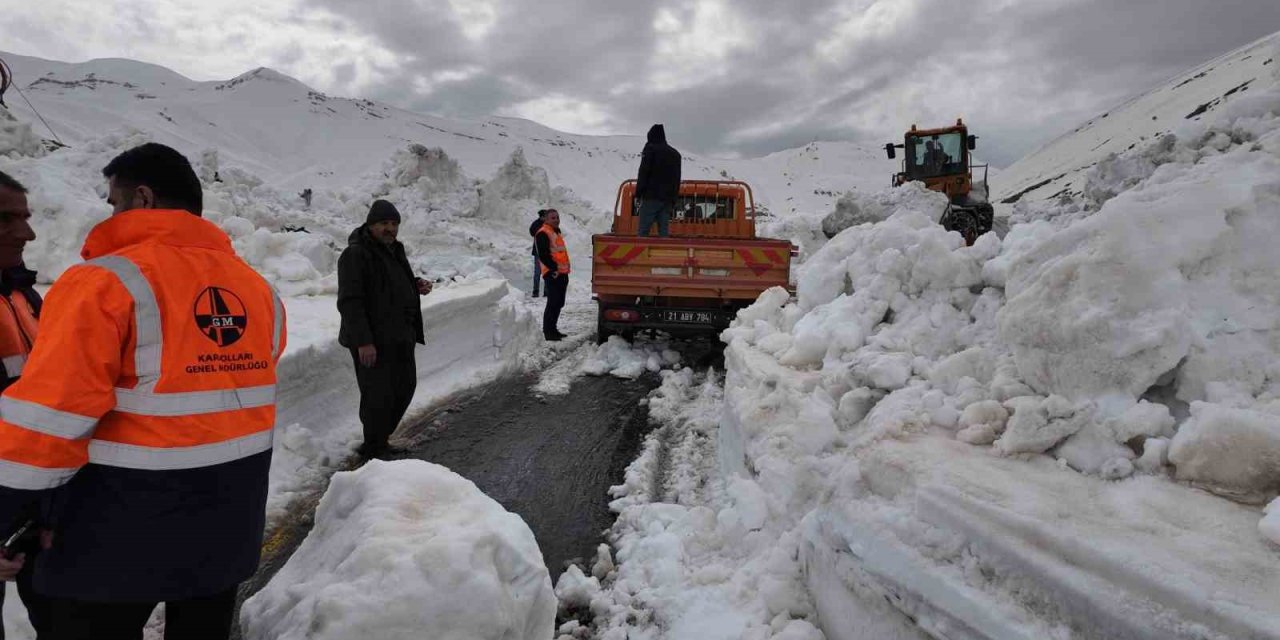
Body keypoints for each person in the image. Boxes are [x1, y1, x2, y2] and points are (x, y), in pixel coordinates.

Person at [0, 142, 286, 640]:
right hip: (227, 525)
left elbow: (49, 421)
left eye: (114, 202)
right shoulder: (258, 289)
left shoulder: (101, 283)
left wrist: (5, 517)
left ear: (143, 198)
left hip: (115, 538)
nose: (109, 214)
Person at [337, 199, 431, 458]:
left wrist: (416, 285)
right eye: (383, 224)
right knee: (377, 397)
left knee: (404, 388)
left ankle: (380, 439)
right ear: (370, 225)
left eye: (394, 223)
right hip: (373, 342)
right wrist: (363, 341)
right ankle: (374, 448)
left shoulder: (394, 249)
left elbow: (389, 283)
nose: (390, 228)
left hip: (400, 336)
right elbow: (350, 301)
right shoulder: (356, 254)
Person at [0, 170, 49, 638]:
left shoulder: (20, 293)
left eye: (26, 218)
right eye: (4, 219)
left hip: (26, 507)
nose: (27, 233)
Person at [635, 124, 681, 237]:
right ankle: (664, 252)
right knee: (663, 231)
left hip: (651, 196)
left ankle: (641, 252)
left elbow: (644, 172)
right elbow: (677, 178)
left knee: (643, 231)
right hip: (667, 200)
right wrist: (674, 198)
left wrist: (639, 193)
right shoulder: (675, 154)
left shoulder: (650, 149)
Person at [534, 209, 569, 341]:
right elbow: (543, 255)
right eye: (553, 218)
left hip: (562, 273)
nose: (556, 219)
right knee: (553, 303)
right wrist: (553, 269)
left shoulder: (555, 231)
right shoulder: (543, 233)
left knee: (559, 302)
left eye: (557, 217)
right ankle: (548, 332)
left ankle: (553, 329)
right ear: (546, 219)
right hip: (552, 274)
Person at [528, 208, 548, 298]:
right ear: (541, 216)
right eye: (545, 216)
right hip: (538, 252)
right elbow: (532, 232)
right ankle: (535, 291)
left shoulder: (548, 224)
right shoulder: (536, 224)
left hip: (547, 252)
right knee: (537, 273)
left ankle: (546, 292)